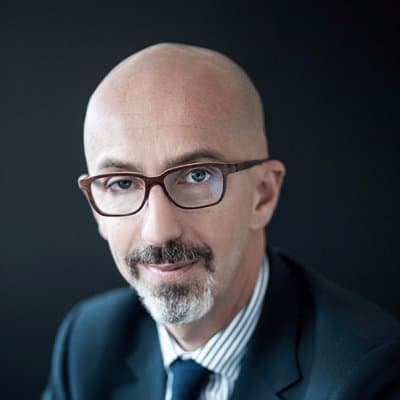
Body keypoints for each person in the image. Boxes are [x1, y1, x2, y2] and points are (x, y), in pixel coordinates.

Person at [43, 43, 400, 400]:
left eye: (196, 176)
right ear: (96, 209)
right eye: (122, 183)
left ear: (263, 194)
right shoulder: (88, 343)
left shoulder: (367, 376)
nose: (158, 232)